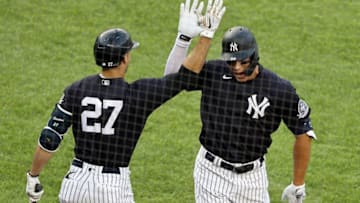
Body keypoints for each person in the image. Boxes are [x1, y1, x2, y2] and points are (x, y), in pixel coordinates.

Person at [25, 0, 226, 202]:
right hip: (112, 188)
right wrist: (201, 37)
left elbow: (49, 138)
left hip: (75, 184)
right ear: (124, 59)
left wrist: (33, 176)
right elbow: (184, 78)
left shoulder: (76, 90)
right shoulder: (138, 95)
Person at [165, 21, 317, 202]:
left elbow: (303, 132)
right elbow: (172, 80)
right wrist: (185, 39)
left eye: (243, 62)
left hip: (254, 179)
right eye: (231, 62)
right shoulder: (214, 73)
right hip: (211, 172)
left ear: (255, 56)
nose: (237, 67)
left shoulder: (277, 88)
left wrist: (298, 184)